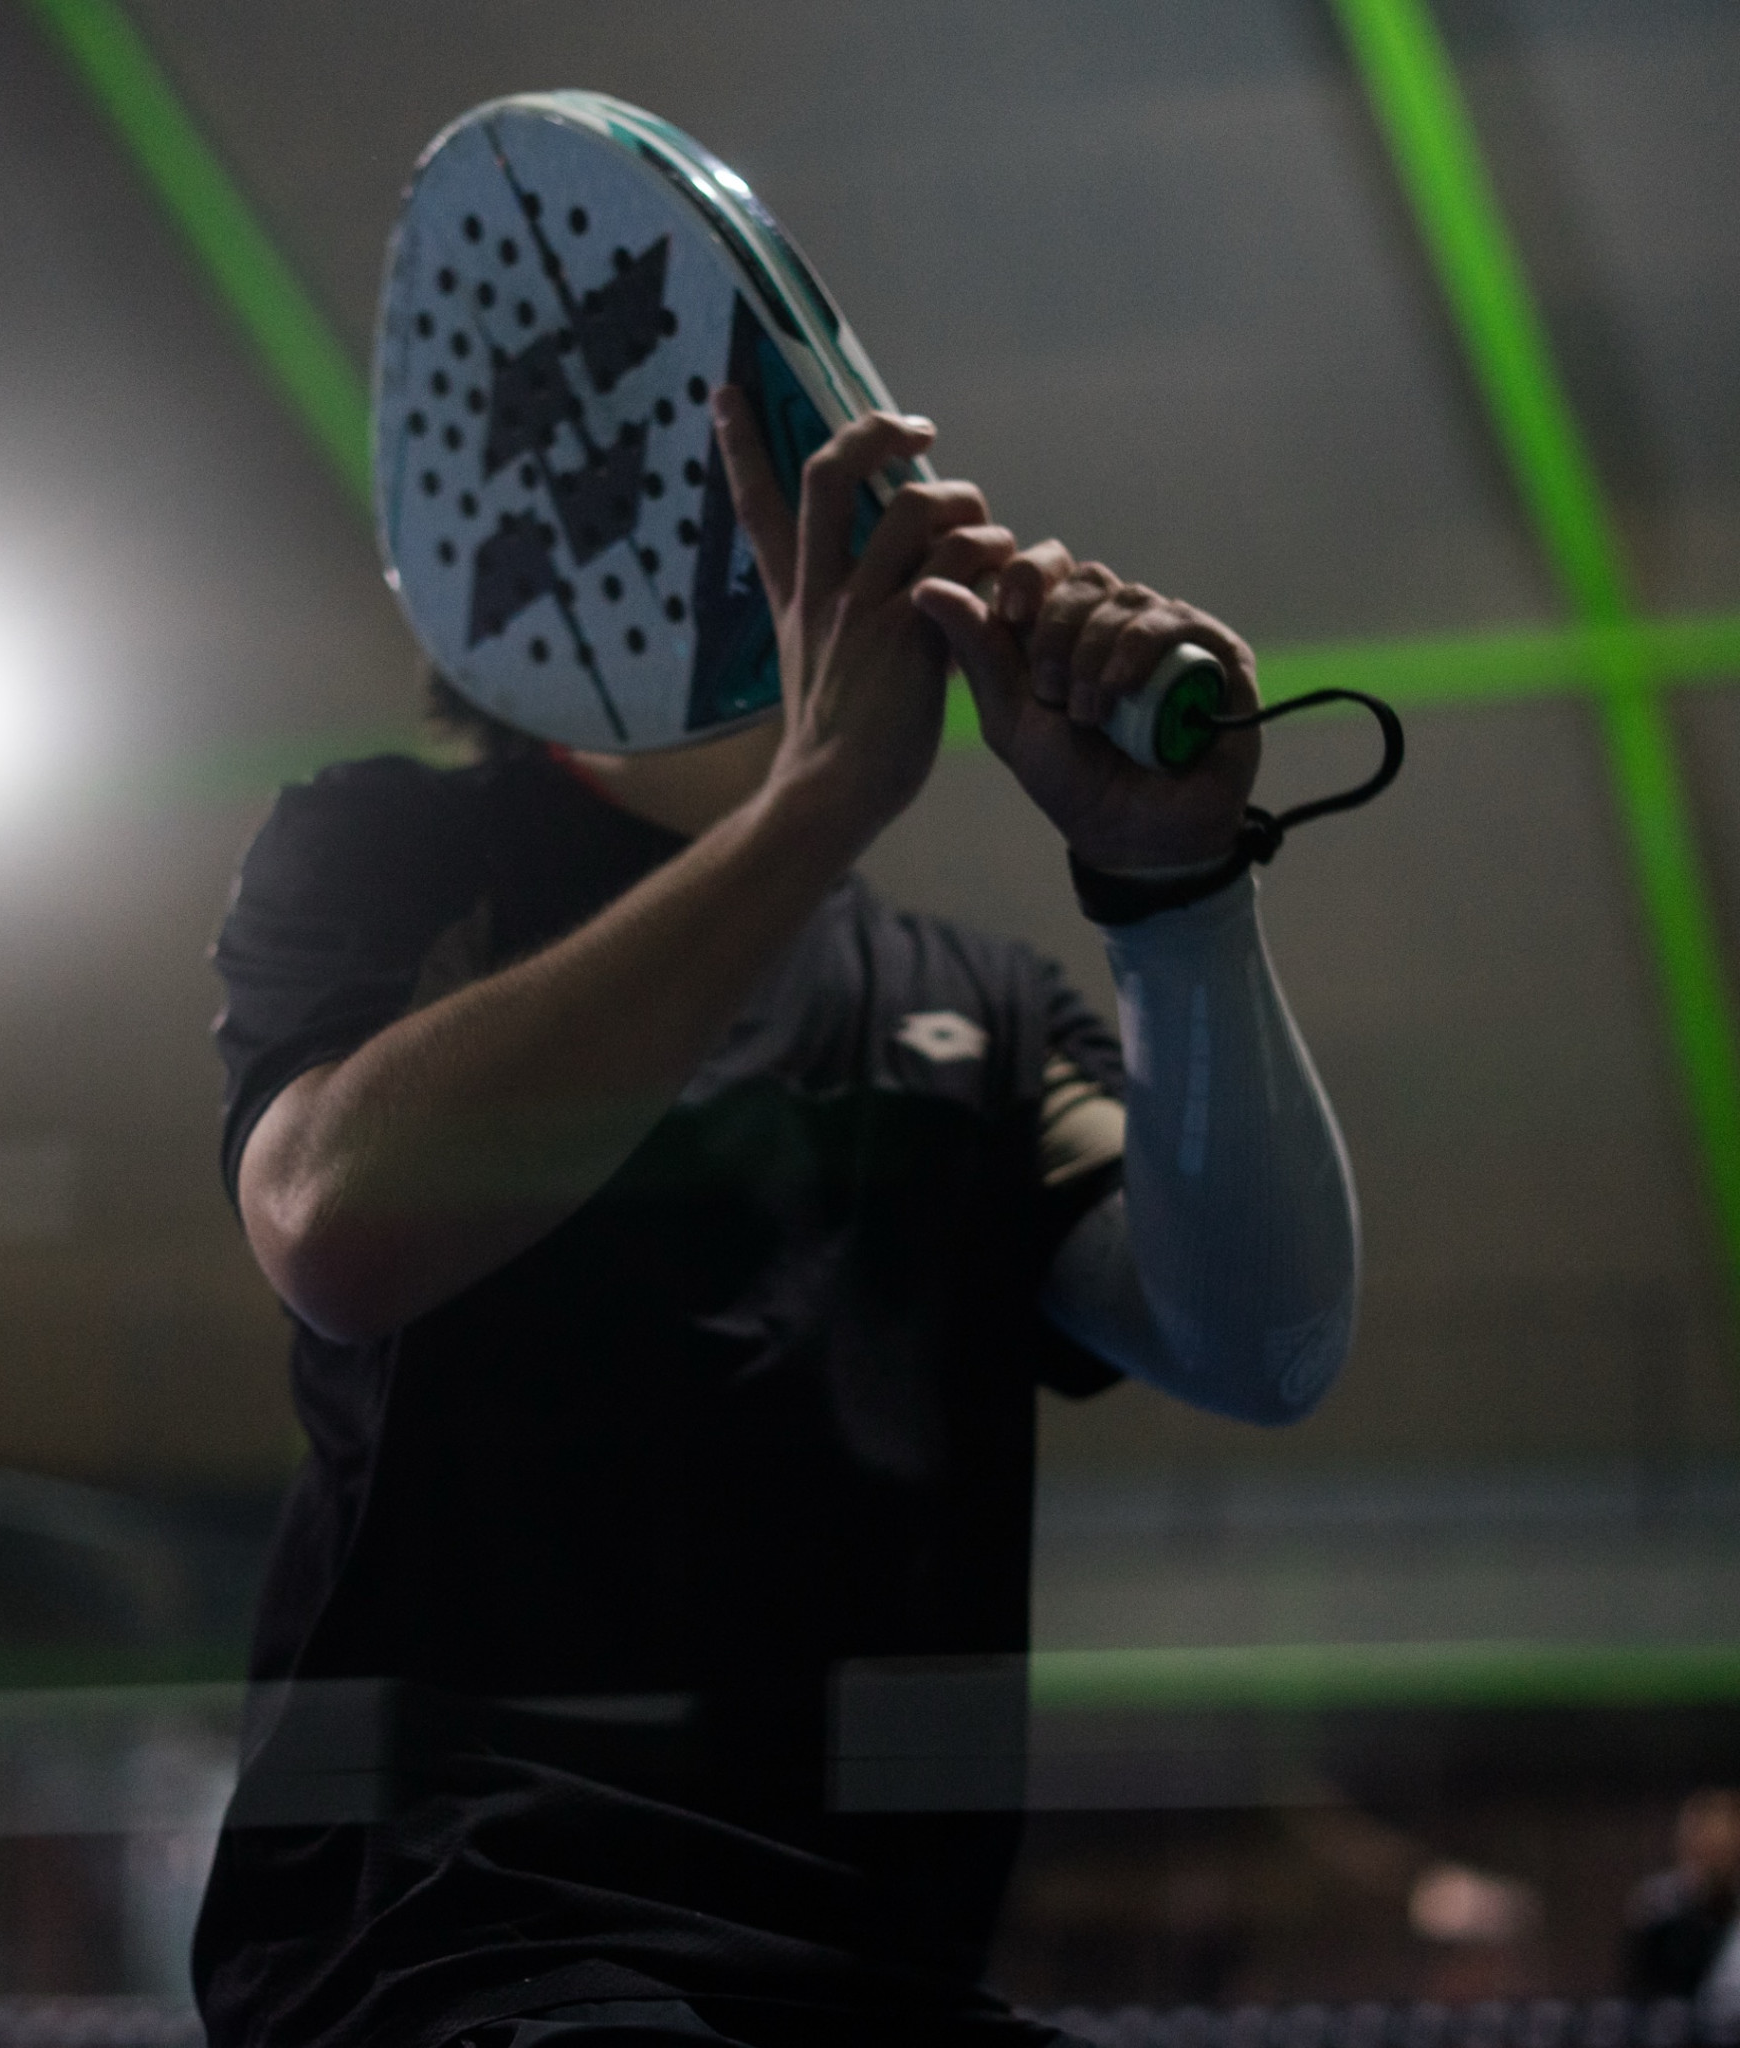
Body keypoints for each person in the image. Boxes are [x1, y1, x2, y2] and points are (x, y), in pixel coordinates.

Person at [191, 395, 1361, 2048]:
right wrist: (812, 803)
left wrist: (1176, 887)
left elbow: (1261, 1347)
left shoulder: (977, 1007)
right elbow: (331, 1221)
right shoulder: (390, 848)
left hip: (872, 1971)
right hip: (454, 1943)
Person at [1625, 1787, 1740, 2000]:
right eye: (1699, 1847)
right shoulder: (1660, 1906)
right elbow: (1639, 1986)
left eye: (1717, 1850)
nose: (1708, 1860)